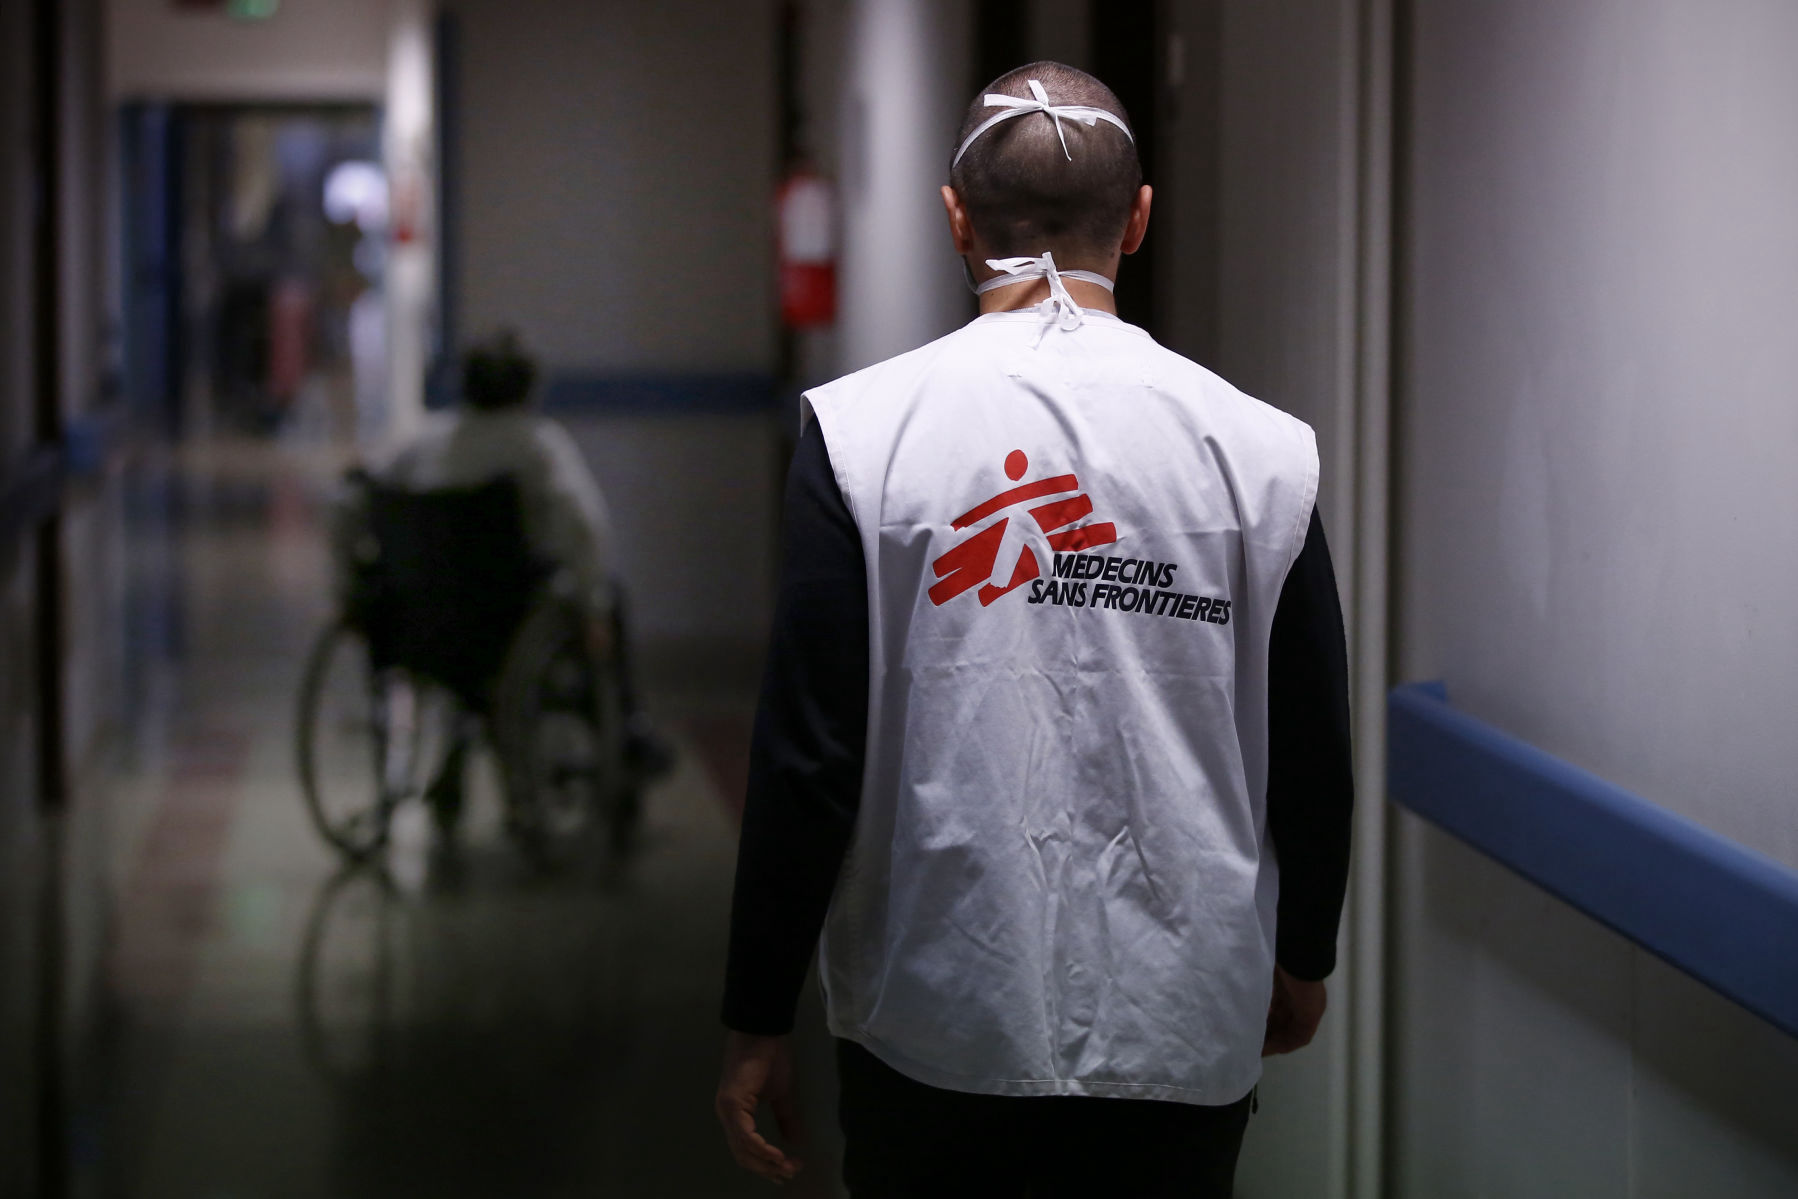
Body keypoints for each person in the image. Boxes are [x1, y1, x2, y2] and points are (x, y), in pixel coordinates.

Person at [714, 62, 1354, 1196]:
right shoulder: (1262, 452)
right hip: (1182, 1027)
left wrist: (758, 1011)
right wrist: (1302, 949)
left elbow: (808, 757)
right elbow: (1312, 741)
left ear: (954, 217)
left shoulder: (862, 438)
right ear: (1140, 218)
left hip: (936, 1026)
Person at [330, 330, 669, 833]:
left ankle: (452, 768)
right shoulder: (537, 444)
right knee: (607, 598)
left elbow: (347, 502)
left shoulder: (424, 441)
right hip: (508, 620)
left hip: (421, 626)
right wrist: (592, 607)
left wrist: (351, 587)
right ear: (529, 389)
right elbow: (585, 527)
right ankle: (628, 735)